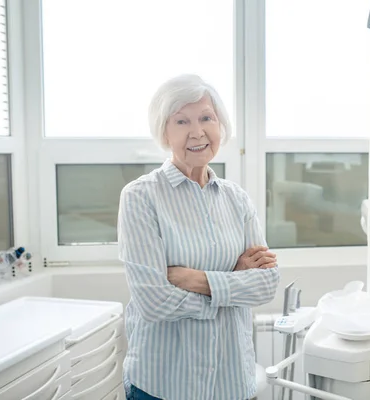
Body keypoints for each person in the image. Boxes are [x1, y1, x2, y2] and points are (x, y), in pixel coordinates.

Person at [118, 74, 280, 400]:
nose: (197, 131)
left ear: (221, 126)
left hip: (232, 380)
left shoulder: (236, 199)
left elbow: (266, 284)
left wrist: (198, 279)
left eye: (207, 117)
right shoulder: (140, 197)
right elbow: (153, 302)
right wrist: (233, 284)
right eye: (181, 121)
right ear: (164, 132)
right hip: (163, 384)